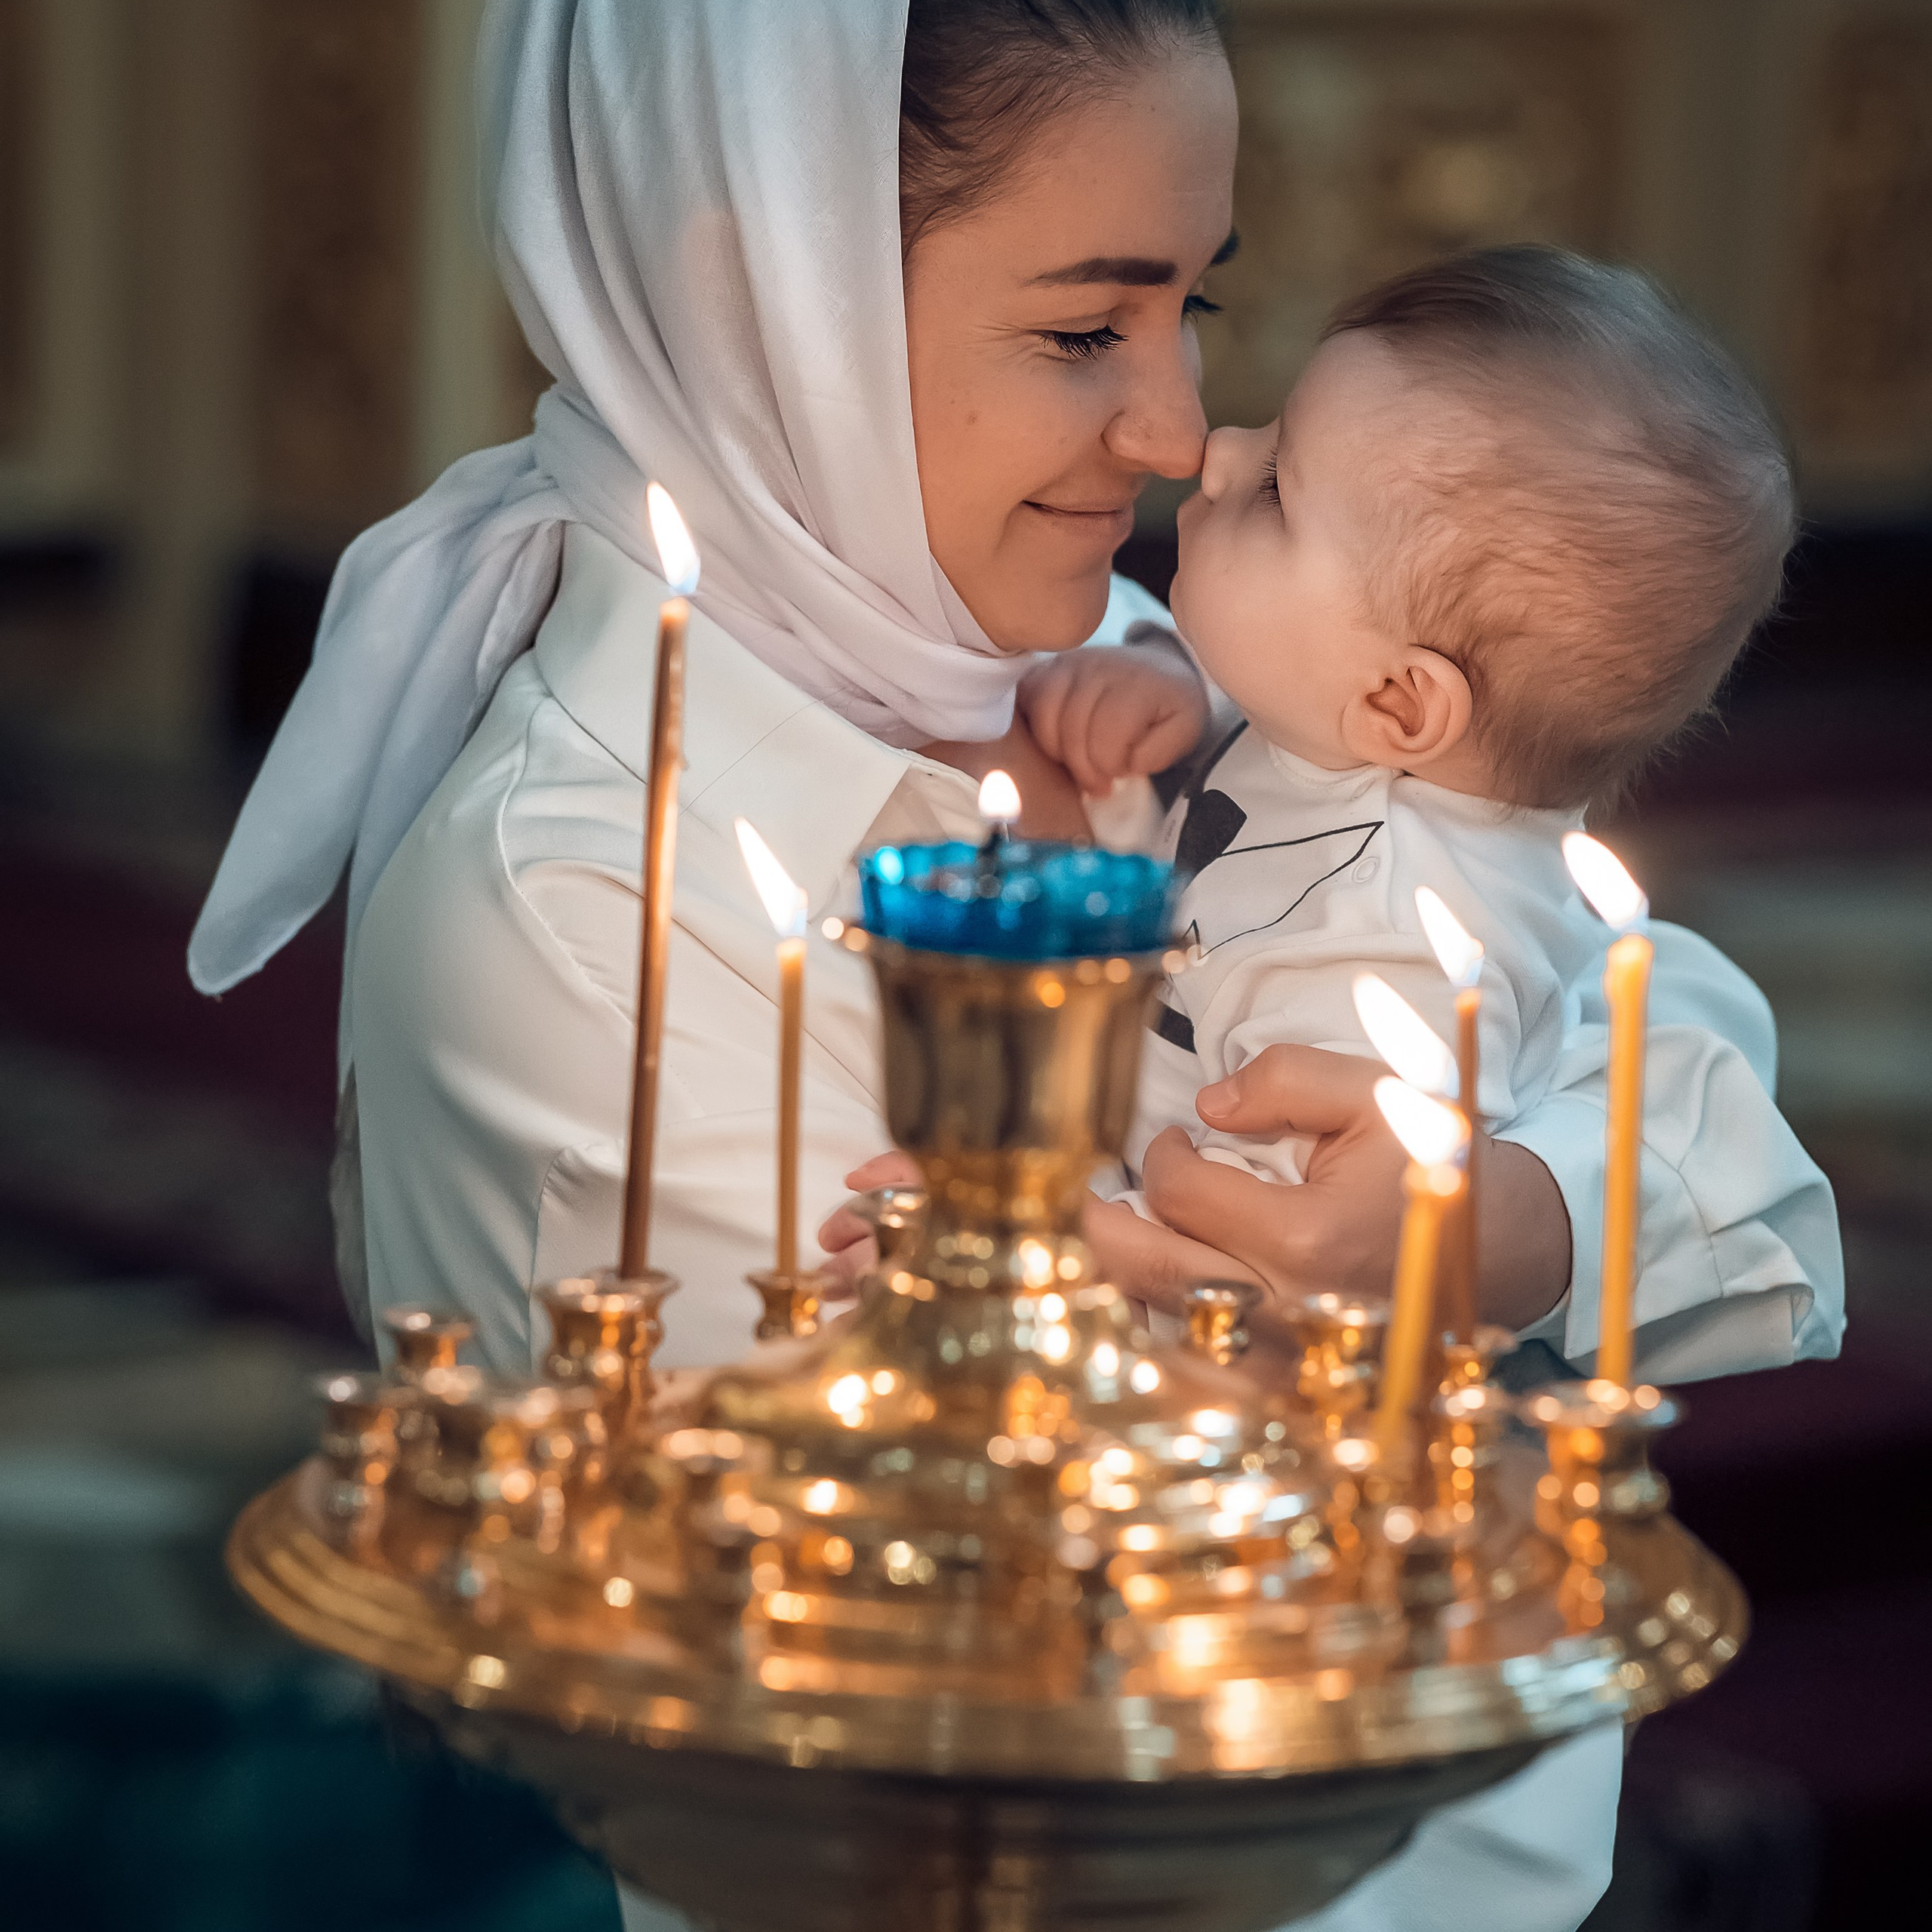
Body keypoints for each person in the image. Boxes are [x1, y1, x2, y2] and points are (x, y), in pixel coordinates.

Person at [183, 4, 1841, 1929]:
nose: (1171, 431)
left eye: (1190, 307)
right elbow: (903, 1732)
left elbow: (1645, 993)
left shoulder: (1116, 651)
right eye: (1081, 329)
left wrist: (1524, 1220)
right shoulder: (586, 903)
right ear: (761, 288)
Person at [1009, 245, 1833, 1365]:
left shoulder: (1385, 954)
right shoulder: (1364, 743)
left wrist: (1017, 1240)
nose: (1218, 453)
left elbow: (1282, 1255)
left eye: (1275, 491)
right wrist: (1174, 686)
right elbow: (1275, 763)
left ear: (1401, 702)